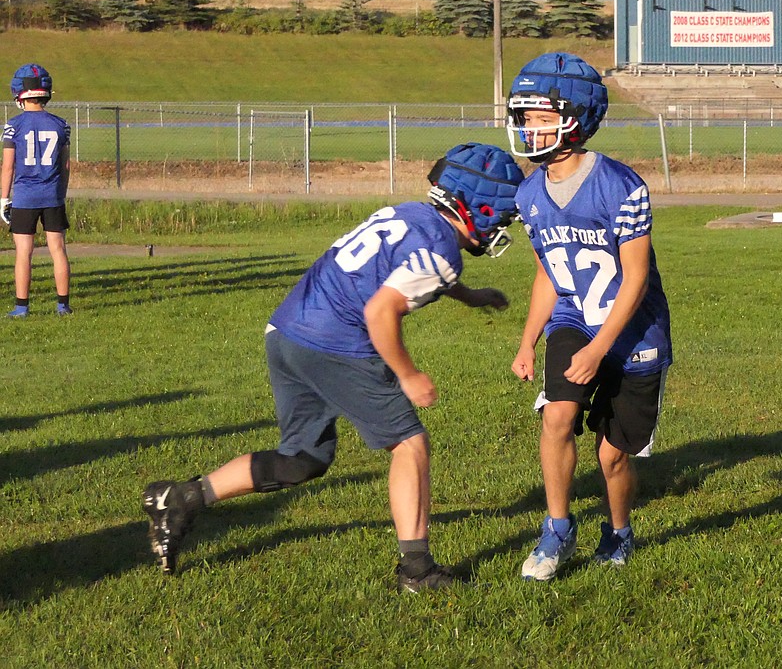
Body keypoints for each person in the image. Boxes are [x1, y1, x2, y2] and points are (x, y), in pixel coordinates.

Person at [141, 142, 524, 592]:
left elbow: (409, 267)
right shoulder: (441, 252)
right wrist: (408, 374)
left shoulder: (407, 214)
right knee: (409, 444)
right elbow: (381, 312)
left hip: (286, 332)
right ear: (476, 204)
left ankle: (184, 497)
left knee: (302, 459)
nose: (501, 223)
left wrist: (470, 294)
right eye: (500, 213)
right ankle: (417, 572)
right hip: (335, 342)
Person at [505, 52, 672, 581]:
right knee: (557, 415)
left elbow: (636, 276)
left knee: (611, 457)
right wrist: (527, 341)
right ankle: (557, 528)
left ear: (574, 117)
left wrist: (601, 349)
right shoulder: (530, 192)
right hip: (572, 318)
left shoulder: (621, 185)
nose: (527, 128)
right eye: (524, 117)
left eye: (539, 116)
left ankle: (618, 531)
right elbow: (547, 274)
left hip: (633, 332)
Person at [1, 63, 72, 317]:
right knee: (58, 249)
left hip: (24, 196)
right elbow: (65, 166)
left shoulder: (14, 125)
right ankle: (63, 305)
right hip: (52, 194)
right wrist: (60, 194)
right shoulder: (61, 125)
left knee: (23, 253)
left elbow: (7, 167)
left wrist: (2, 199)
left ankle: (22, 307)